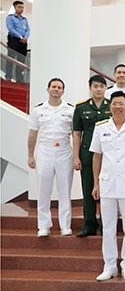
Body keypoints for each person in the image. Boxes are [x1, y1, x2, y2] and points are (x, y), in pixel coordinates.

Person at [90, 91, 125, 282]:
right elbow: (97, 155)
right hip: (107, 183)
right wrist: (95, 183)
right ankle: (110, 265)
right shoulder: (100, 128)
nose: (117, 107)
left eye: (121, 103)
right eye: (114, 104)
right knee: (108, 226)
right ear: (109, 106)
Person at [27, 78, 74, 237]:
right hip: (44, 150)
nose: (56, 89)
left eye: (59, 87)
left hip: (64, 150)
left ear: (63, 91)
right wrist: (30, 155)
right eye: (53, 87)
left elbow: (76, 134)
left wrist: (76, 157)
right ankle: (43, 225)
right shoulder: (38, 110)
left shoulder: (70, 110)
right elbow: (33, 133)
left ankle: (65, 226)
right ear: (48, 89)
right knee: (43, 190)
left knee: (65, 190)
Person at [73, 75, 111, 237]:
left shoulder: (112, 106)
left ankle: (106, 225)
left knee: (107, 192)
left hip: (108, 155)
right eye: (95, 86)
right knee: (89, 190)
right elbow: (76, 134)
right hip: (87, 155)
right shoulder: (81, 108)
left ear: (105, 88)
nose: (98, 89)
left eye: (101, 86)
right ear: (90, 87)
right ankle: (89, 225)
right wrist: (76, 157)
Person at [5, 0, 30, 83]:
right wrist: (20, 37)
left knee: (21, 60)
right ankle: (8, 76)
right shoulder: (10, 18)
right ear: (15, 8)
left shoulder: (24, 19)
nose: (21, 9)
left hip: (23, 42)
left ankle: (19, 78)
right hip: (14, 40)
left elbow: (28, 30)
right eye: (19, 7)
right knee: (11, 59)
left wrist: (25, 38)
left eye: (22, 7)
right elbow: (11, 29)